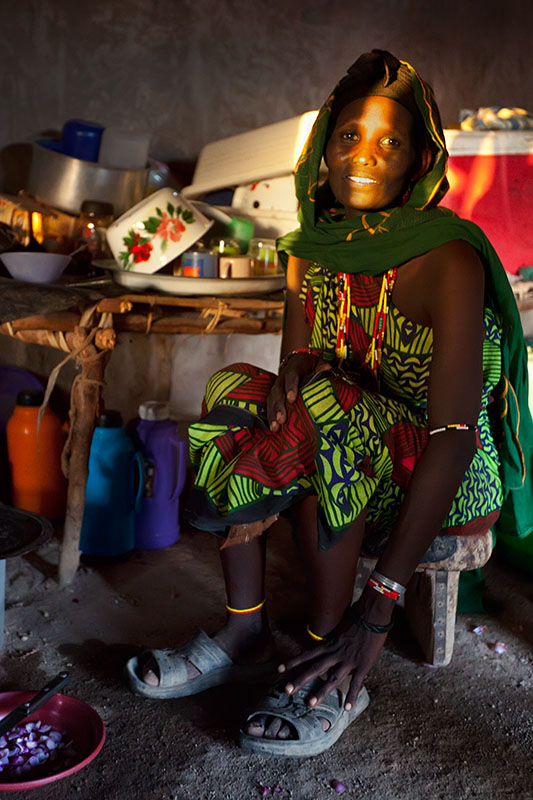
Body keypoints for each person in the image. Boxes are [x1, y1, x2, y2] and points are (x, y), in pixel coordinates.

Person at [126, 50, 533, 757]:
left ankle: (332, 660)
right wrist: (282, 399)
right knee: (239, 387)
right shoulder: (309, 250)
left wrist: (375, 615)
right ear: (322, 150)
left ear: (417, 162)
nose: (364, 157)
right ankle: (245, 628)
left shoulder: (447, 260)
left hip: (451, 476)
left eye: (390, 141)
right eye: (348, 136)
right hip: (349, 446)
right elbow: (297, 368)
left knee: (329, 405)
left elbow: (456, 436)